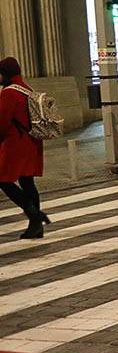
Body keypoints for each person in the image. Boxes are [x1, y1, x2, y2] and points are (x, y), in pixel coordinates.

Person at [0, 57, 46, 239]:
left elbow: (2, 122)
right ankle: (36, 226)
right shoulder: (26, 88)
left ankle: (34, 215)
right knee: (27, 182)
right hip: (31, 141)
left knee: (3, 179)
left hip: (16, 144)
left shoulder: (9, 93)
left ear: (6, 74)